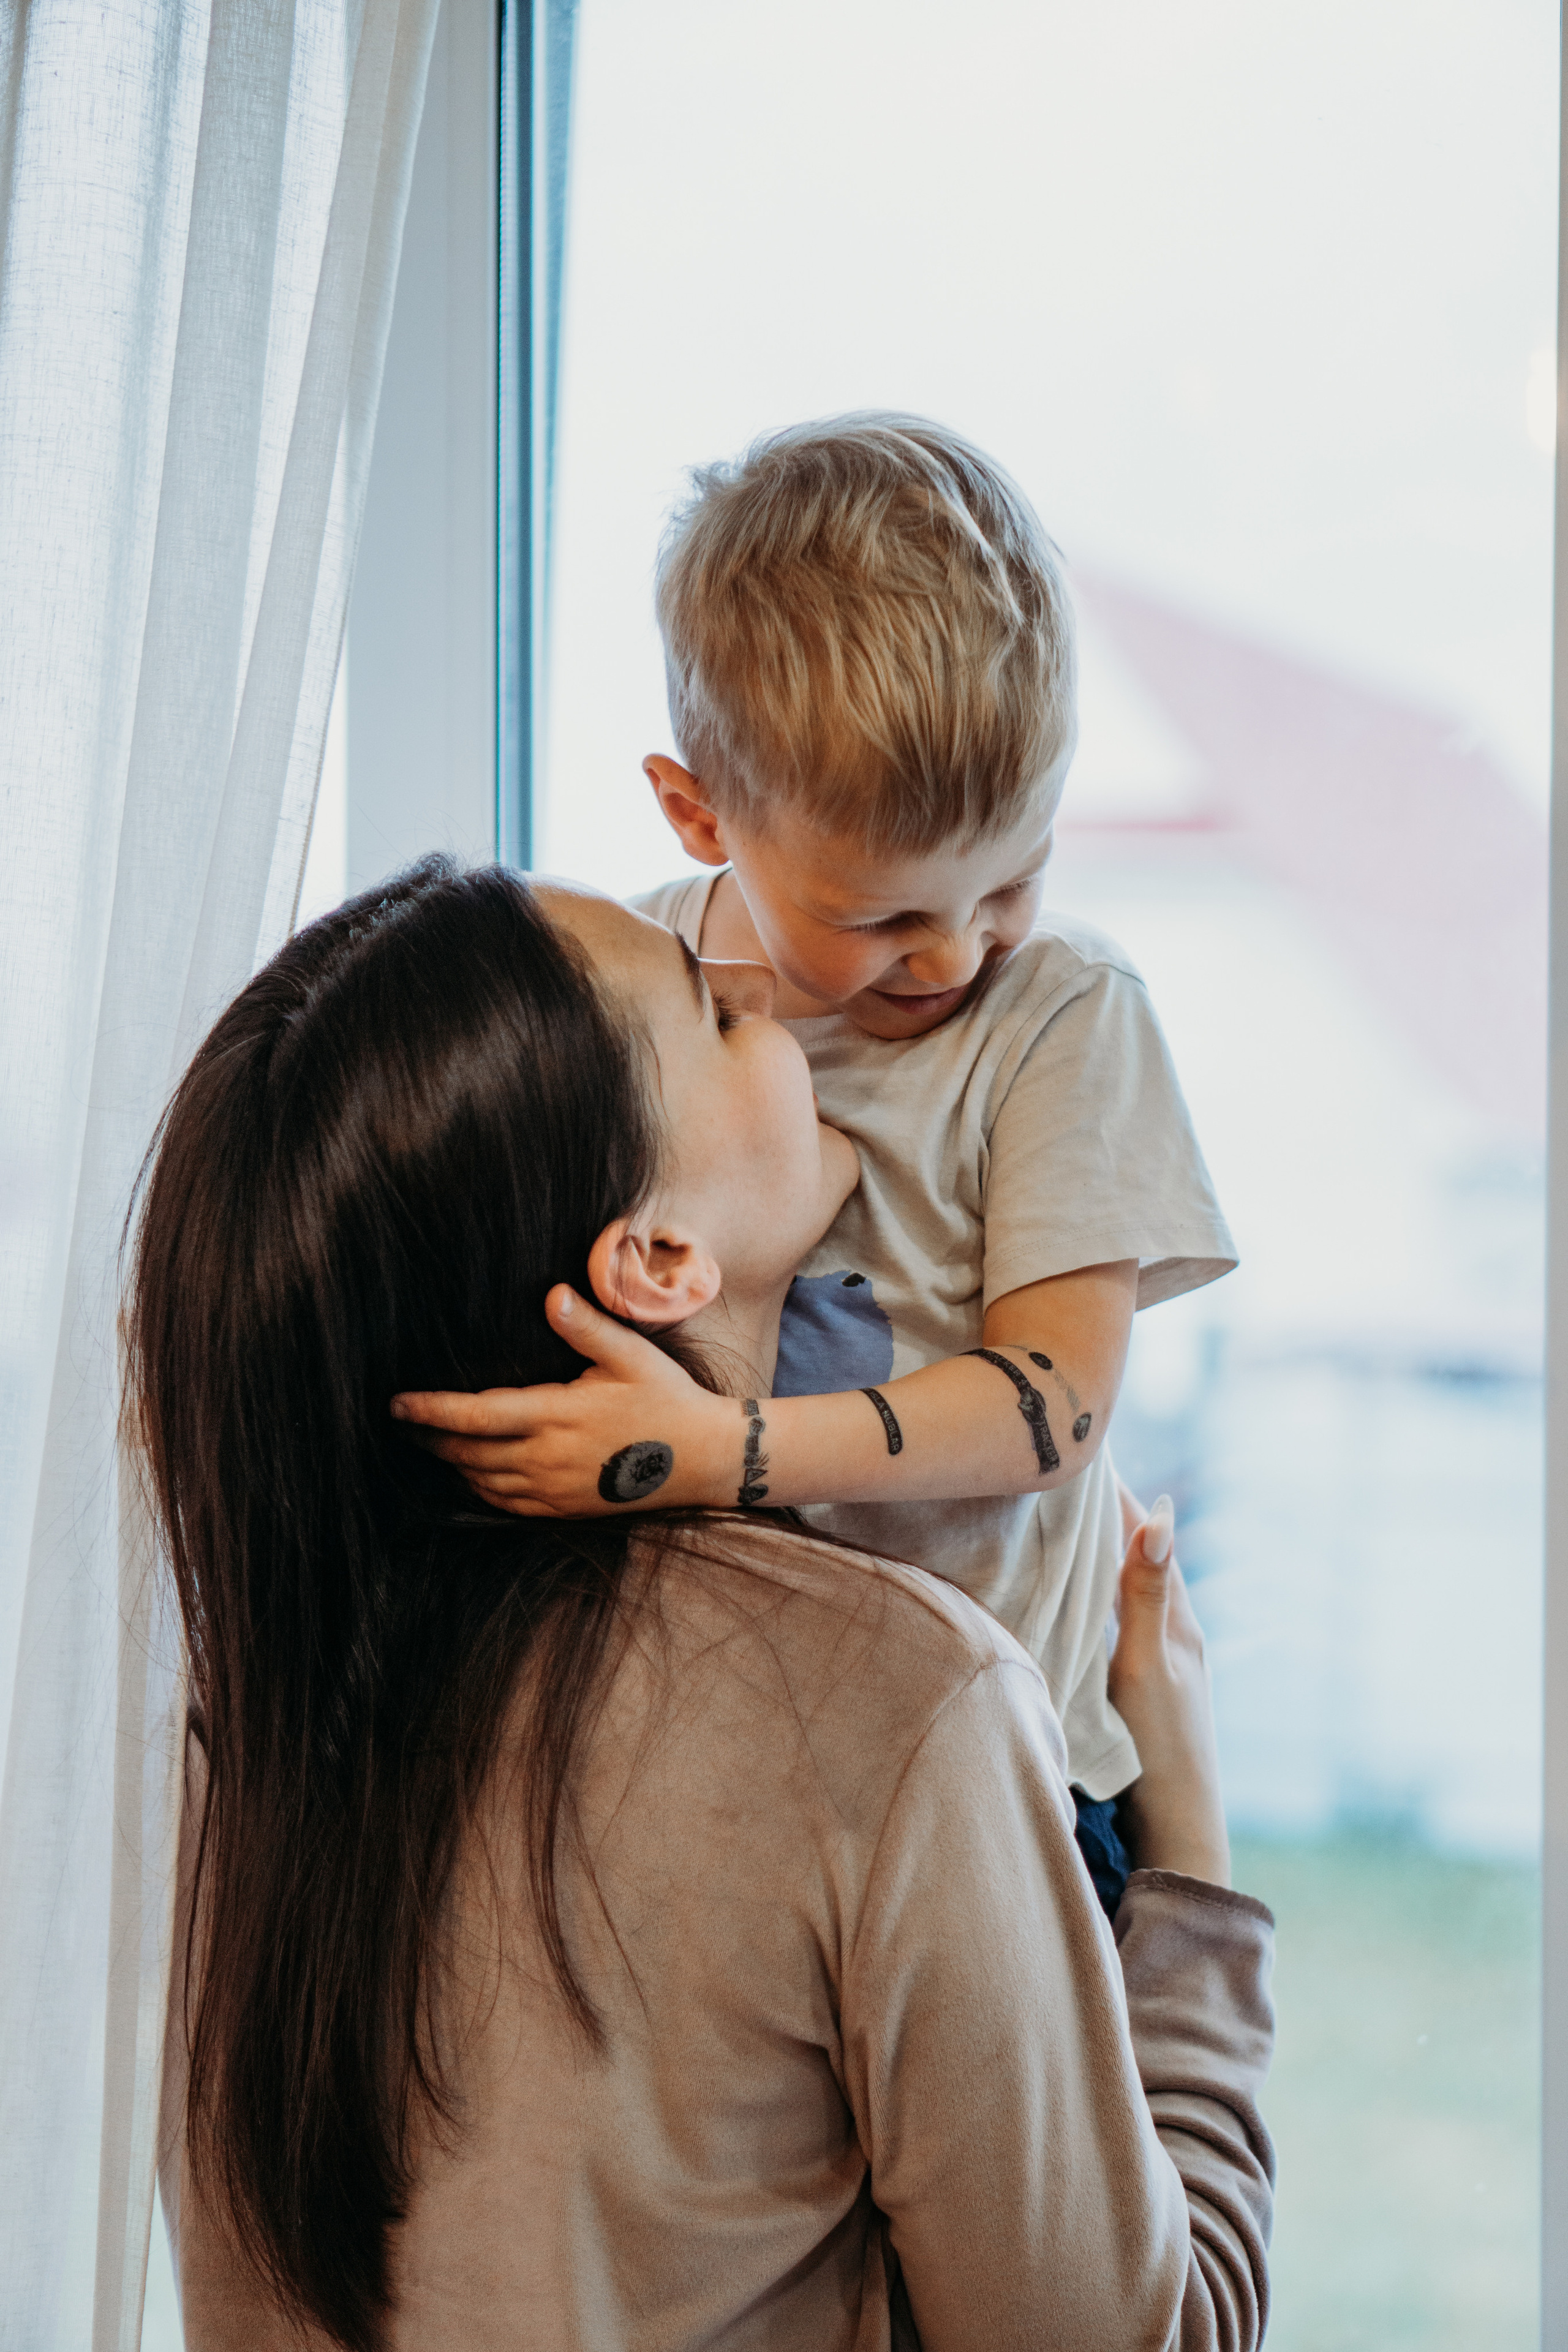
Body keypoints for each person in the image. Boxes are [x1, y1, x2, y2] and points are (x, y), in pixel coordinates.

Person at [134, 861, 1274, 2352]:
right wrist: (1186, 1855)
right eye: (705, 1006)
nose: (759, 986)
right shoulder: (887, 1704)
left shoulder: (240, 1732)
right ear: (660, 1259)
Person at [394, 415, 1235, 1910]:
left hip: (1008, 1770)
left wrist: (724, 1455)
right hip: (730, 1743)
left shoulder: (1062, 1016)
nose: (959, 948)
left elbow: (1058, 1406)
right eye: (883, 912)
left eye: (1012, 877)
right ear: (699, 812)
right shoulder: (638, 990)